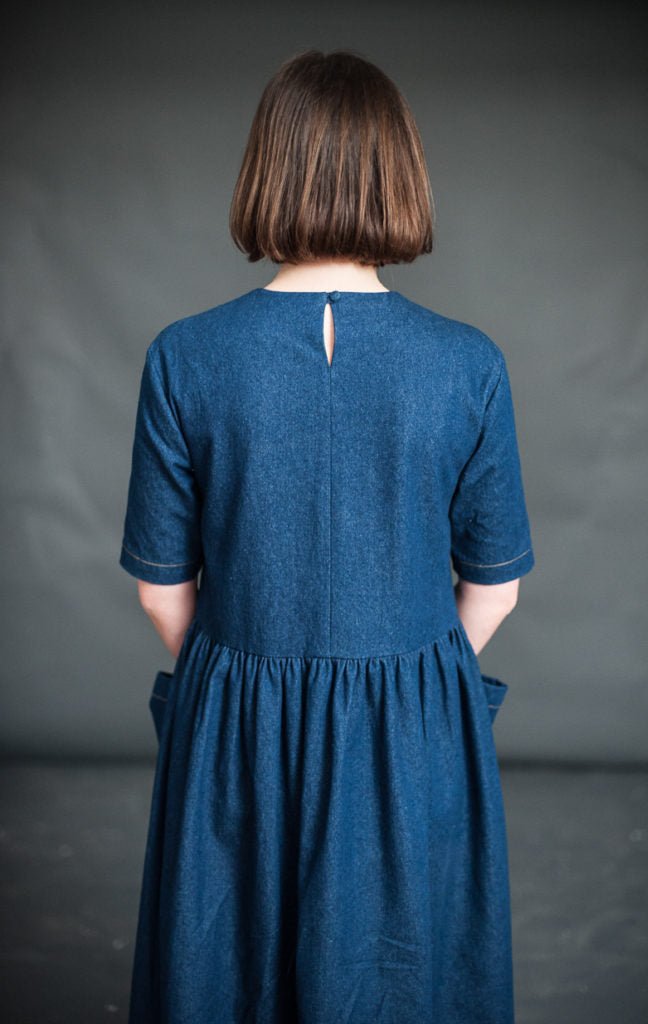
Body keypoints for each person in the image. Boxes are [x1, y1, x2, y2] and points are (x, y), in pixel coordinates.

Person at [119, 47, 535, 1024]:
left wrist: (238, 677)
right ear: (400, 175)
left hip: (236, 722)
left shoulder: (186, 356)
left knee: (224, 975)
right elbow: (496, 584)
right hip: (412, 727)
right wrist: (413, 681)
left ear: (266, 170)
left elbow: (159, 585)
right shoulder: (467, 363)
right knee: (406, 979)